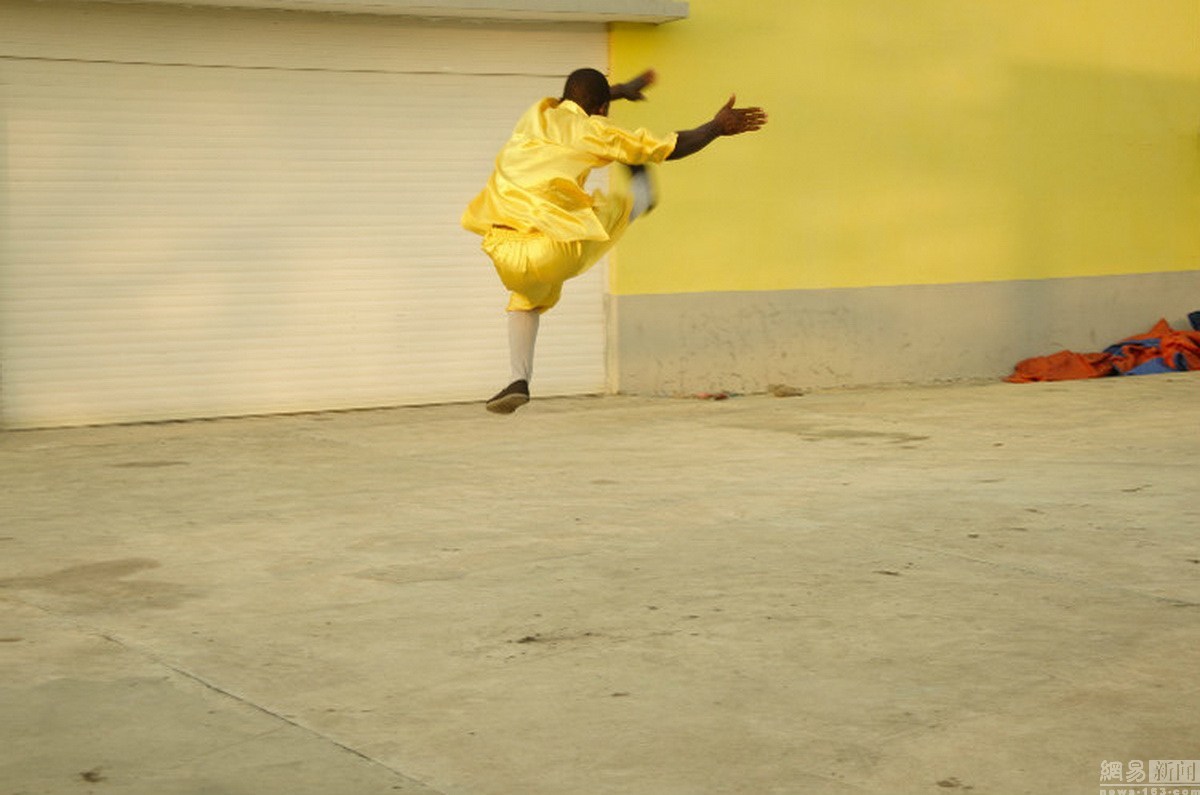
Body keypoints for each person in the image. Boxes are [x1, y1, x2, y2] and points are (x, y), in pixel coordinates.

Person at [462, 67, 768, 414]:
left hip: (502, 249)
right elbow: (669, 146)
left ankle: (518, 379)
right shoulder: (593, 128)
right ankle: (641, 196)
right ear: (603, 109)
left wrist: (620, 90)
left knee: (525, 302)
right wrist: (716, 127)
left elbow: (580, 101)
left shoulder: (536, 114)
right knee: (613, 202)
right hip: (556, 247)